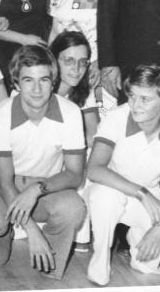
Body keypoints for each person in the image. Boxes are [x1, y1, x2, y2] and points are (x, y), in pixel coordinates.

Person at [0, 45, 86, 280]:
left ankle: (50, 256)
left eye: (44, 80)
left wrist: (36, 190)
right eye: (28, 80)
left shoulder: (71, 112)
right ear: (15, 83)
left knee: (74, 208)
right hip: (6, 183)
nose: (36, 89)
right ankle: (9, 236)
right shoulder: (1, 113)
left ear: (53, 82)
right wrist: (32, 230)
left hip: (47, 185)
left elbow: (75, 174)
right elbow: (4, 182)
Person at [86, 64, 160, 286]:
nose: (135, 105)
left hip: (149, 198)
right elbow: (94, 169)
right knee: (105, 198)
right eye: (131, 96)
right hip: (110, 188)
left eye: (145, 99)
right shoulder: (117, 118)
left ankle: (140, 253)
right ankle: (100, 260)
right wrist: (142, 193)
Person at [49, 31, 118, 250]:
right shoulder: (41, 88)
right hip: (44, 160)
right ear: (54, 60)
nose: (76, 69)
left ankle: (89, 229)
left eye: (82, 62)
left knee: (94, 161)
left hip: (71, 159)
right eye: (68, 61)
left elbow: (92, 134)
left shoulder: (83, 91)